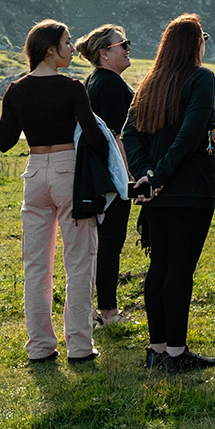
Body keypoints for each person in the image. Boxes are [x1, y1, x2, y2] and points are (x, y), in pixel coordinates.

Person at [0, 20, 109, 363]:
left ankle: (41, 346)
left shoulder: (15, 89)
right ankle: (79, 346)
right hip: (67, 172)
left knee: (35, 265)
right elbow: (93, 137)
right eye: (67, 42)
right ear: (50, 50)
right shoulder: (73, 87)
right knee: (78, 263)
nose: (72, 48)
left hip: (34, 173)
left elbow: (3, 143)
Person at [121, 14, 215, 372]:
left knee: (159, 266)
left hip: (155, 194)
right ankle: (177, 354)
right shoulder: (202, 79)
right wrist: (159, 174)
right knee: (180, 269)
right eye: (203, 37)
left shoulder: (149, 83)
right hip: (191, 189)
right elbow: (192, 135)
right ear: (195, 44)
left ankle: (157, 348)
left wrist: (146, 174)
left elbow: (130, 135)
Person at [76, 24, 135, 328]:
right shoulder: (111, 85)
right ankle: (108, 312)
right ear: (105, 53)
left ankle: (100, 309)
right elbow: (118, 137)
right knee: (111, 242)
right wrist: (128, 177)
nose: (128, 49)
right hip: (113, 174)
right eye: (123, 44)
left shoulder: (95, 81)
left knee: (103, 242)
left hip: (99, 173)